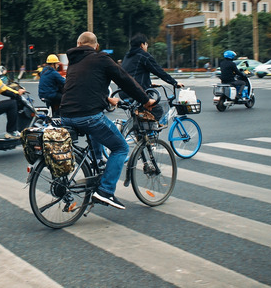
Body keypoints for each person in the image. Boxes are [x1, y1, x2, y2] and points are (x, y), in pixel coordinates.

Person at [60, 32, 155, 210]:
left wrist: (106, 99)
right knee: (120, 148)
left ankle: (99, 164)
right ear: (96, 46)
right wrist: (145, 100)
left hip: (65, 115)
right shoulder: (101, 58)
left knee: (97, 131)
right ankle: (105, 191)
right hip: (87, 116)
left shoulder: (73, 62)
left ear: (78, 44)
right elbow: (125, 79)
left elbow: (84, 88)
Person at [121, 33, 184, 122]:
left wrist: (149, 83)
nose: (147, 46)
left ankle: (141, 133)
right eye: (146, 44)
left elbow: (135, 73)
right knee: (158, 111)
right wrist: (174, 82)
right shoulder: (143, 55)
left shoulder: (128, 56)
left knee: (142, 114)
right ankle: (149, 135)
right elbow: (159, 71)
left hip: (123, 92)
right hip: (136, 92)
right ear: (142, 45)